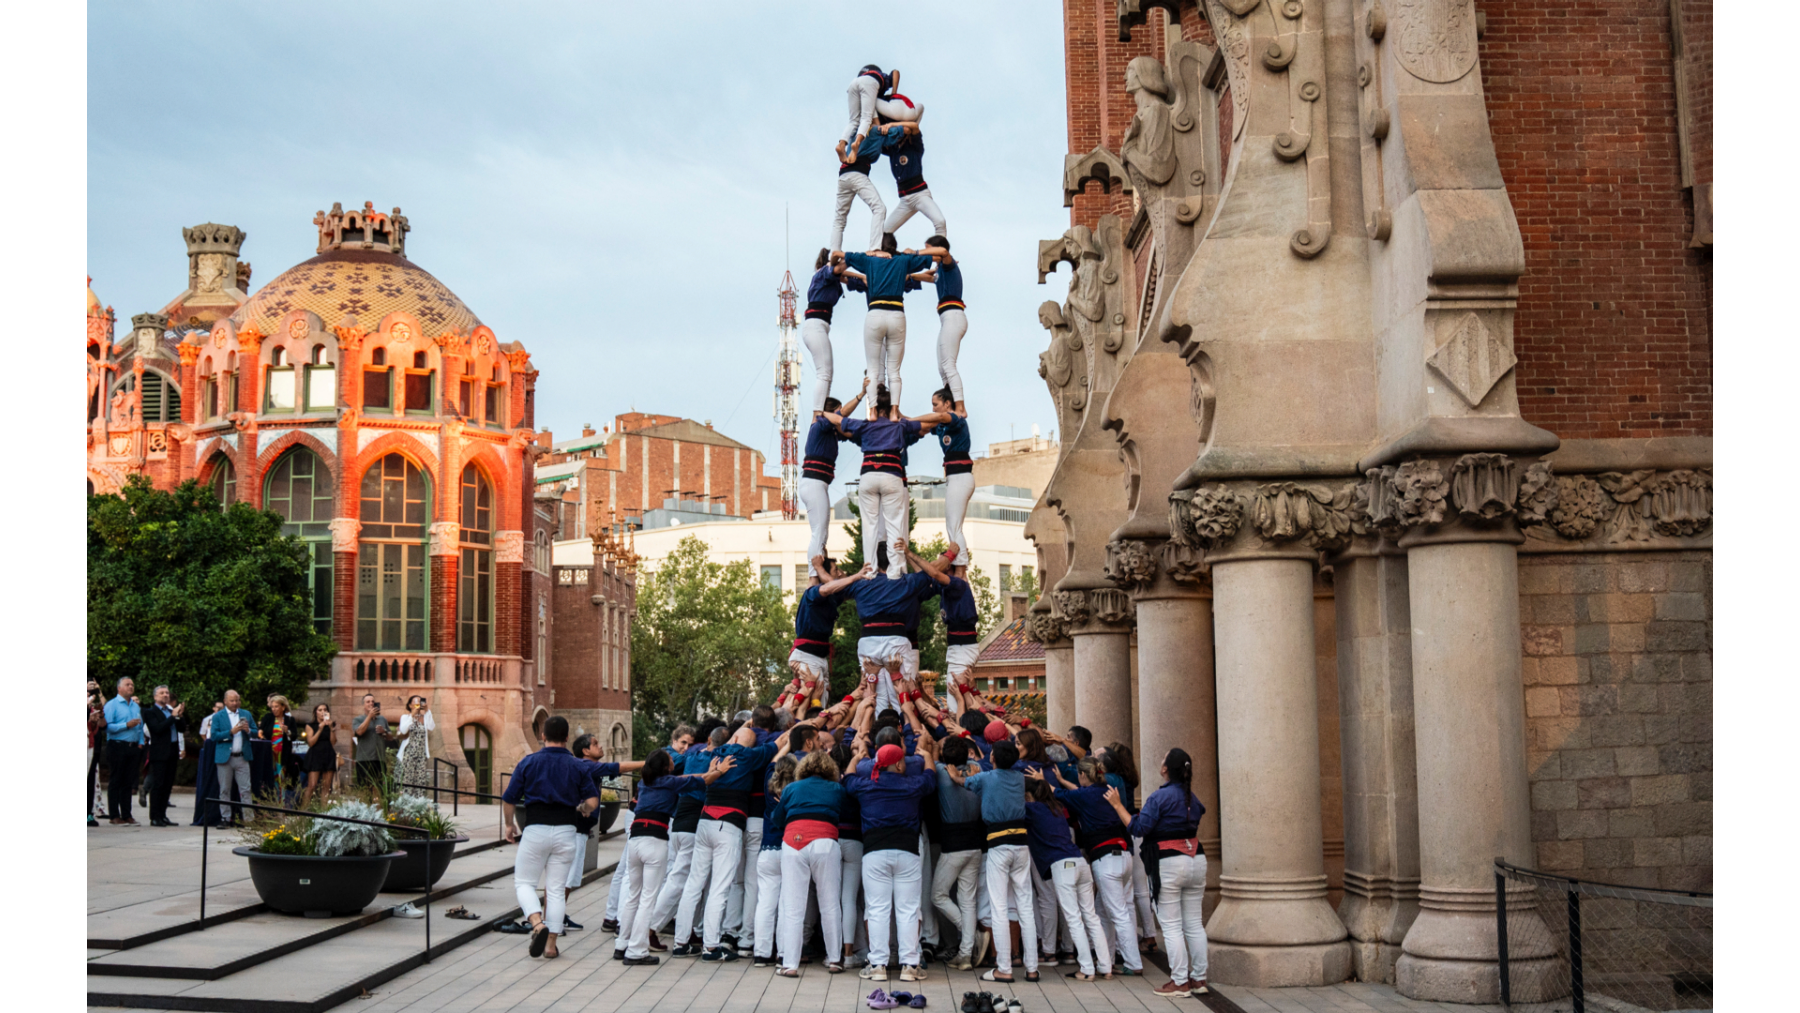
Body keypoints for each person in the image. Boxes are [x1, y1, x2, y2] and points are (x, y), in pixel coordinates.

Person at [1103, 747, 1209, 996]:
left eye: (1162, 761)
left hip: (1169, 862)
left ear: (1164, 770)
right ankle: (1199, 979)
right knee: (1194, 923)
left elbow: (1138, 828)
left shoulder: (1160, 798)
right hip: (1196, 857)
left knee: (1171, 925)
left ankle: (1180, 981)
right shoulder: (1191, 797)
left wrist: (1118, 805)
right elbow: (1200, 811)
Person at [615, 748, 734, 965]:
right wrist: (719, 770)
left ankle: (622, 944)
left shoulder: (645, 783)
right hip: (654, 839)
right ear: (665, 766)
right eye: (670, 759)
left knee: (634, 895)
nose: (674, 760)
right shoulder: (670, 783)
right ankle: (636, 951)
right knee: (648, 898)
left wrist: (707, 772)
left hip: (635, 838)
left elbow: (688, 778)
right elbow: (705, 781)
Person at [501, 715, 598, 961]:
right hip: (567, 830)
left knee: (524, 883)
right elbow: (592, 802)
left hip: (535, 828)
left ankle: (536, 923)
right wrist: (582, 810)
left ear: (543, 736)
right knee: (555, 890)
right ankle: (551, 946)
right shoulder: (578, 765)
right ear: (567, 738)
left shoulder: (529, 762)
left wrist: (509, 825)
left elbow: (509, 798)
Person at [845, 735, 939, 983]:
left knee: (877, 909)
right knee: (909, 909)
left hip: (874, 852)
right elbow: (931, 778)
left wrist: (856, 756)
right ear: (898, 765)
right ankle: (910, 965)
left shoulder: (866, 785)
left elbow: (849, 779)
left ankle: (877, 965)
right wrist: (928, 755)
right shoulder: (912, 785)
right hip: (907, 851)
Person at [1038, 757, 1144, 976]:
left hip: (1106, 859)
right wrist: (1062, 780)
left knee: (1117, 912)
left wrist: (1043, 779)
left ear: (1084, 775)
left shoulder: (1085, 796)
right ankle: (1108, 960)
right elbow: (1077, 791)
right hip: (1124, 855)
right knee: (1104, 911)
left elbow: (1058, 794)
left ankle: (1134, 964)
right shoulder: (1106, 789)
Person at [957, 740, 1039, 982]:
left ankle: (1004, 968)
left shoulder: (986, 778)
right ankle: (1032, 968)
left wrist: (955, 772)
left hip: (998, 843)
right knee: (1025, 905)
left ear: (992, 758)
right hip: (1021, 843)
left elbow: (964, 782)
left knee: (999, 907)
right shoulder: (1019, 778)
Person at [1023, 771, 1114, 981]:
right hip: (1080, 863)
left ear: (1028, 796)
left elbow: (1009, 809)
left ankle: (1087, 970)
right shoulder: (1056, 808)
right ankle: (1105, 966)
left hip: (1062, 866)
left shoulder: (1033, 809)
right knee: (1091, 916)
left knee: (1074, 918)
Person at [838, 241, 938, 413]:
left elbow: (839, 273)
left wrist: (864, 272)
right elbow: (917, 274)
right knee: (892, 370)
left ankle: (875, 410)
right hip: (896, 316)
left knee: (875, 368)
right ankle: (892, 410)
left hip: (875, 318)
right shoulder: (900, 264)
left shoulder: (870, 266)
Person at [777, 748, 849, 977]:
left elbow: (776, 819)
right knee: (830, 904)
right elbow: (843, 813)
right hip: (825, 841)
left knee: (793, 907)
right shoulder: (837, 789)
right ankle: (836, 960)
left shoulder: (791, 788)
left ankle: (790, 964)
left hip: (793, 841)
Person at [800, 382, 866, 583]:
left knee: (822, 532)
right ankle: (814, 575)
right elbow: (842, 415)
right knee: (819, 532)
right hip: (814, 482)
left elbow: (846, 427)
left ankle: (817, 572)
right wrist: (861, 394)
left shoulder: (829, 432)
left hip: (816, 483)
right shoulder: (820, 425)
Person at [802, 252, 870, 416]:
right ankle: (817, 414)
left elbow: (846, 277)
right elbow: (839, 269)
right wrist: (861, 258)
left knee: (827, 374)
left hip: (819, 326)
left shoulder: (829, 278)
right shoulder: (823, 273)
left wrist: (862, 277)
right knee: (824, 373)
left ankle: (822, 411)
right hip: (815, 325)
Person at [751, 754, 799, 967]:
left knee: (765, 904)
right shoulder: (796, 792)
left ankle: (761, 952)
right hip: (788, 848)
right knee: (786, 904)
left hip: (767, 850)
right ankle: (783, 953)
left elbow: (772, 763)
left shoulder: (770, 789)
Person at [877, 118, 948, 242]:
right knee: (882, 233)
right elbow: (876, 138)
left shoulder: (915, 146)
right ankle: (882, 257)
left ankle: (942, 257)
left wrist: (892, 124)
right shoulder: (893, 149)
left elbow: (914, 126)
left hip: (920, 195)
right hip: (905, 201)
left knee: (940, 222)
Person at [830, 125, 890, 255]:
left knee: (839, 219)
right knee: (879, 208)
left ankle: (834, 252)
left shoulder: (854, 129)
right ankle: (874, 248)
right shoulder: (876, 130)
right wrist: (890, 126)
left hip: (843, 175)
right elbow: (905, 130)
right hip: (857, 173)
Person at [206, 689, 259, 827]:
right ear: (225, 701)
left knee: (246, 789)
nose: (235, 703)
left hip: (242, 757)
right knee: (224, 789)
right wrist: (230, 732)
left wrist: (248, 731)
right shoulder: (218, 716)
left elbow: (255, 733)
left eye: (237, 700)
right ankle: (225, 818)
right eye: (232, 700)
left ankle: (248, 819)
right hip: (225, 758)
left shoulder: (246, 714)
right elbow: (214, 736)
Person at [141, 685, 187, 827]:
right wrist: (173, 717)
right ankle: (154, 816)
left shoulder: (171, 711)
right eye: (161, 693)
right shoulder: (150, 712)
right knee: (158, 784)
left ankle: (163, 814)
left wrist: (179, 715)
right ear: (155, 697)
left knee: (167, 785)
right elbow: (157, 729)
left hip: (172, 751)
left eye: (167, 692)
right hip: (159, 752)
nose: (165, 695)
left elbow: (182, 728)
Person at [102, 677, 145, 825]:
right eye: (127, 684)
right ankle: (114, 815)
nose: (131, 687)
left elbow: (140, 726)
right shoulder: (112, 705)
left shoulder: (135, 706)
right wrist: (125, 725)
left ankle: (127, 814)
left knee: (128, 782)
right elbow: (107, 727)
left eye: (132, 684)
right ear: (119, 688)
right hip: (117, 745)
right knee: (116, 780)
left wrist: (140, 742)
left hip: (133, 747)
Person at [840, 64, 894, 159]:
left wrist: (877, 126)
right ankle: (857, 143)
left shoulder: (861, 78)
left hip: (852, 84)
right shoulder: (883, 78)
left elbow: (875, 118)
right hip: (869, 83)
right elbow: (896, 72)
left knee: (853, 121)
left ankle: (841, 144)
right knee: (866, 118)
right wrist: (894, 93)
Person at [261, 695, 302, 802]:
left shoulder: (290, 720)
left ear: (283, 707)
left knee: (281, 781)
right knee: (268, 780)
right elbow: (261, 731)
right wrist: (260, 734)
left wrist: (287, 732)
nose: (274, 709)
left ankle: (281, 808)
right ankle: (268, 807)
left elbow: (293, 737)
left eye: (276, 706)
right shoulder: (268, 718)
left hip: (283, 755)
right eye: (272, 707)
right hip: (269, 754)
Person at [300, 703, 339, 807]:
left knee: (326, 786)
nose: (323, 712)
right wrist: (320, 729)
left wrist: (331, 728)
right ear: (315, 712)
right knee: (312, 785)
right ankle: (303, 812)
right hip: (315, 755)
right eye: (320, 710)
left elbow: (333, 742)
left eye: (325, 710)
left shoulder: (331, 724)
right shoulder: (310, 725)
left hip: (328, 754)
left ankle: (324, 812)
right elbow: (311, 742)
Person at [396, 695, 435, 796]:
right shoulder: (405, 717)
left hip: (421, 755)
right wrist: (412, 715)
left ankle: (418, 807)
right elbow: (403, 730)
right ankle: (403, 805)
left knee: (420, 782)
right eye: (415, 701)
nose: (418, 703)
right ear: (410, 705)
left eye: (419, 701)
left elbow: (431, 727)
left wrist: (427, 711)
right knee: (406, 782)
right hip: (408, 754)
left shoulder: (425, 718)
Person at [351, 694, 392, 789]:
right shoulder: (358, 719)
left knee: (379, 789)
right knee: (364, 788)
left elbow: (390, 737)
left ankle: (378, 804)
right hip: (364, 759)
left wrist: (384, 732)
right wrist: (369, 716)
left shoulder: (382, 719)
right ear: (363, 705)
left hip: (379, 759)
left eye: (373, 701)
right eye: (368, 702)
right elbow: (359, 732)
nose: (371, 703)